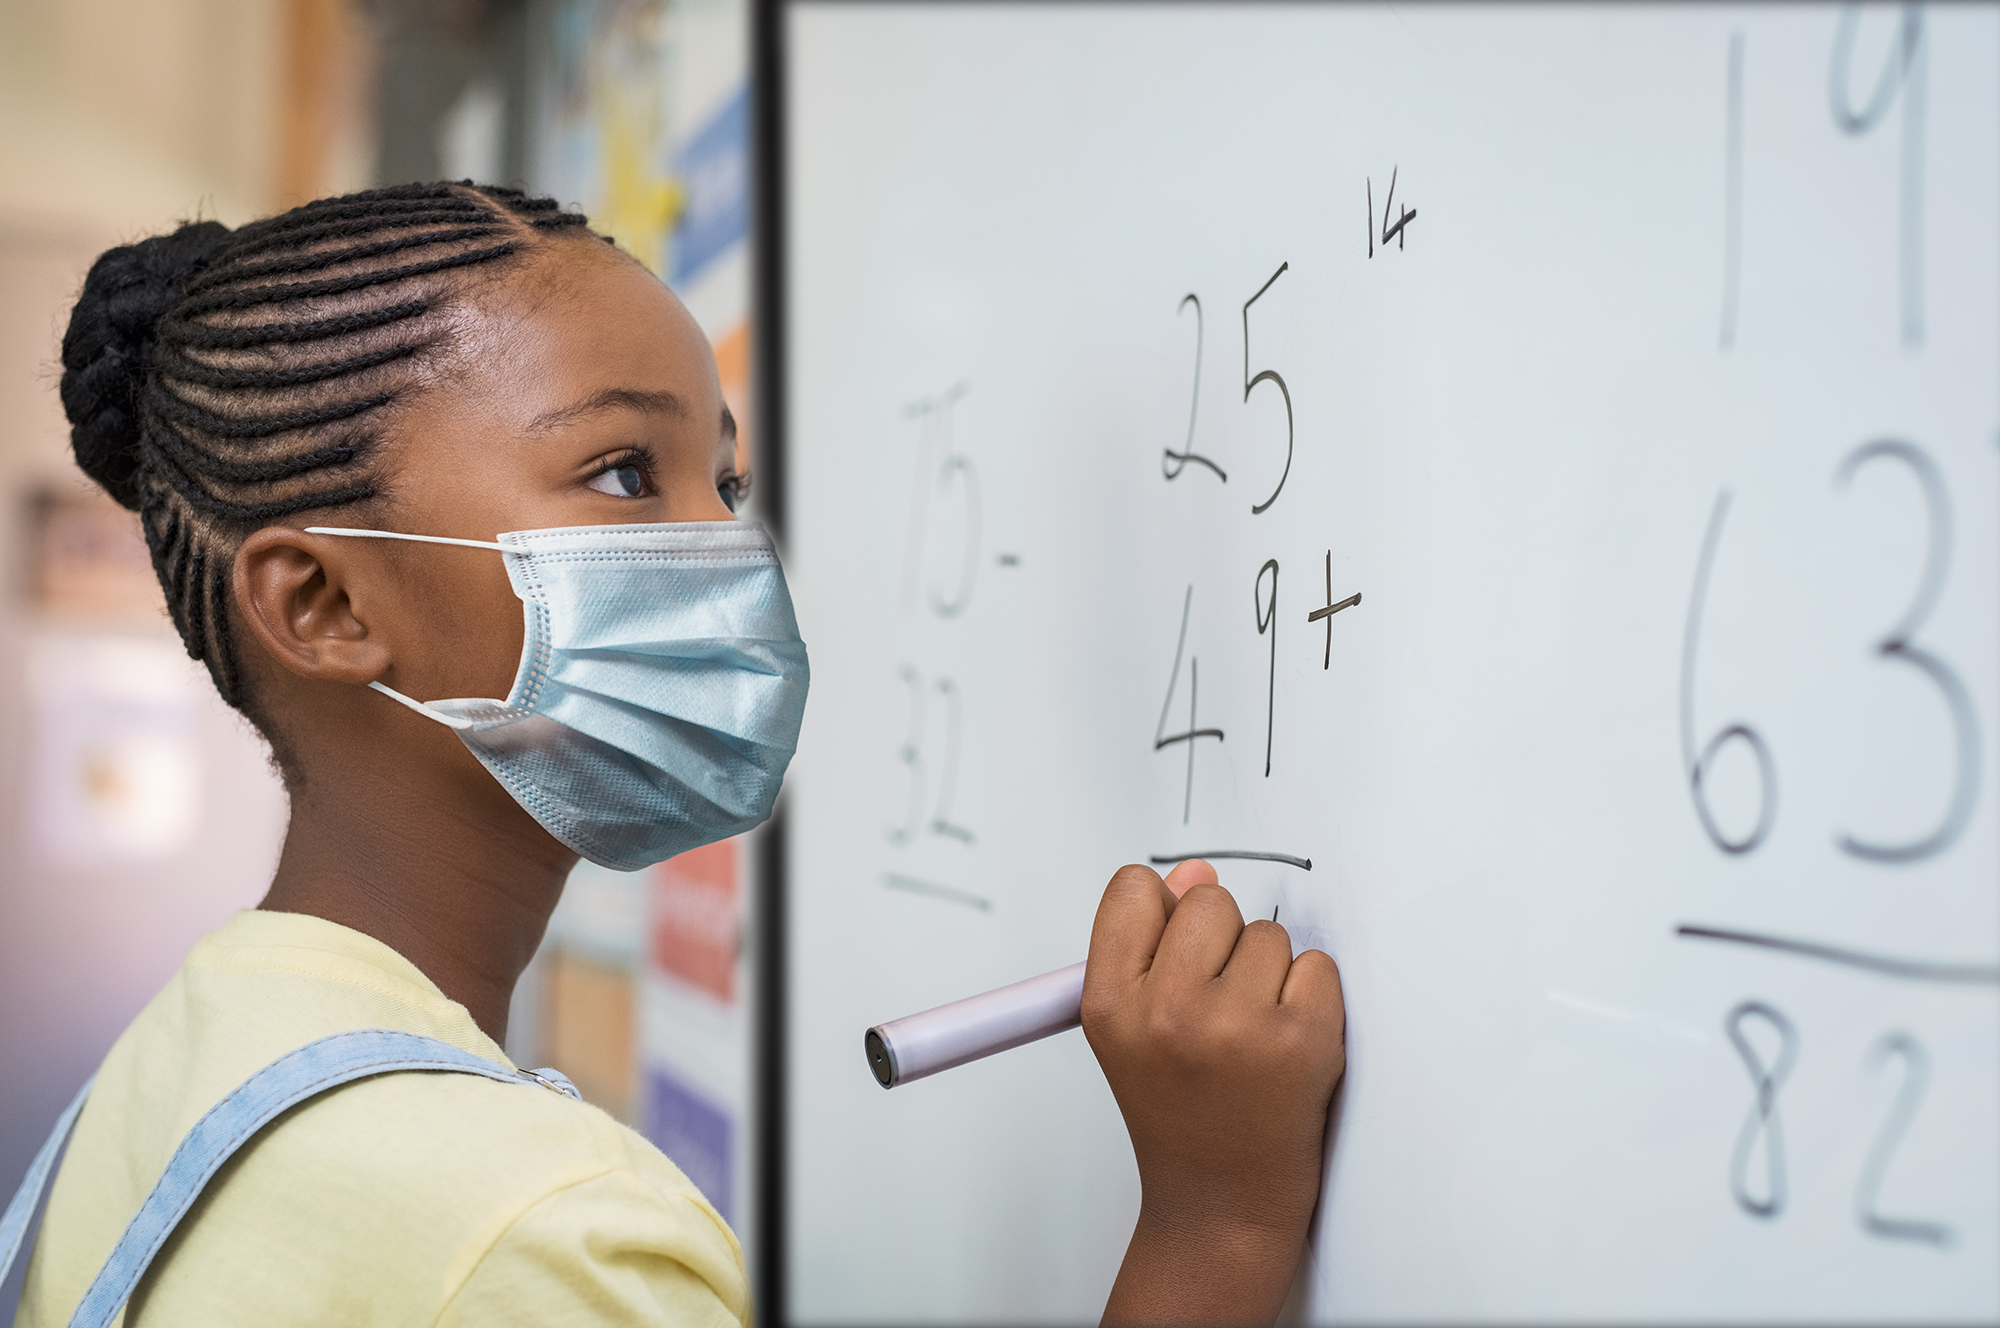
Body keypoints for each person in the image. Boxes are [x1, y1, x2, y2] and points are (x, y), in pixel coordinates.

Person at [8, 182, 1346, 1327]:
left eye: (731, 483)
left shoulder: (177, 1068)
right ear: (326, 607)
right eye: (624, 475)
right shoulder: (533, 1235)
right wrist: (1215, 1228)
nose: (727, 553)